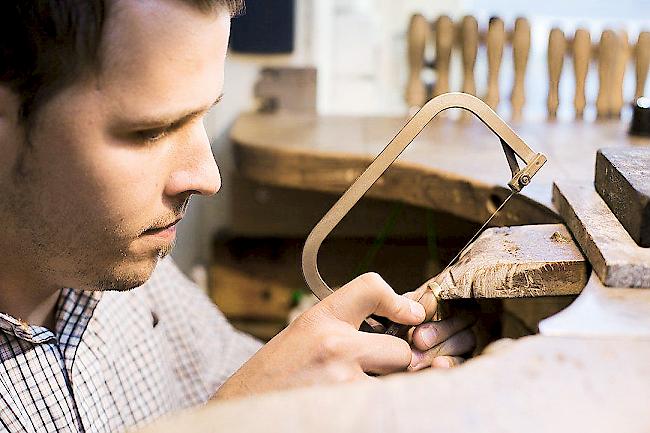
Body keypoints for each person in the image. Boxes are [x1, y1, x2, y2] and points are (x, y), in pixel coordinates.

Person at [0, 1, 476, 431]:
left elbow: (233, 373)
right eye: (150, 131)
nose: (208, 177)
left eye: (202, 116)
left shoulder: (119, 263)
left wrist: (361, 371)